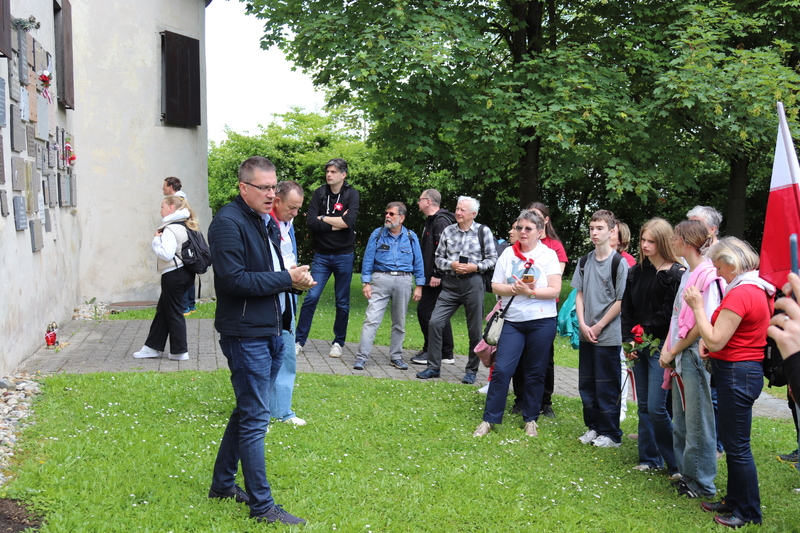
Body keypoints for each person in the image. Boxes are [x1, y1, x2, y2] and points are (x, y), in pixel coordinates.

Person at [207, 156, 315, 525]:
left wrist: (294, 281)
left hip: (271, 329)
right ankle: (262, 507)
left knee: (246, 411)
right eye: (264, 187)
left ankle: (222, 485)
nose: (272, 194)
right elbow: (234, 280)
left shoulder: (264, 221)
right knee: (255, 417)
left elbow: (270, 271)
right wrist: (287, 279)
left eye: (274, 186)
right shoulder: (227, 223)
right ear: (243, 188)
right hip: (245, 333)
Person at [684, 237, 774, 528]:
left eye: (719, 267)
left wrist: (698, 307)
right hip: (740, 370)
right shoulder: (756, 287)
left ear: (732, 264)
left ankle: (748, 512)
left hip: (737, 373)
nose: (718, 273)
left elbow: (715, 339)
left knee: (737, 448)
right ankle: (734, 500)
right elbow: (729, 335)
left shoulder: (742, 292)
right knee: (735, 444)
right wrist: (712, 343)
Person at [473, 210, 562, 437]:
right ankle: (489, 419)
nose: (522, 232)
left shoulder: (549, 255)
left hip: (541, 321)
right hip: (512, 321)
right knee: (502, 369)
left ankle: (530, 419)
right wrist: (515, 289)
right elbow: (495, 286)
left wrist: (530, 293)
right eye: (519, 227)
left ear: (540, 232)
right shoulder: (508, 254)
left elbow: (555, 290)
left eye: (528, 228)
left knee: (535, 372)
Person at [659, 220, 723, 499]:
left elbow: (702, 323)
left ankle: (703, 482)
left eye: (675, 237)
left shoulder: (708, 275)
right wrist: (668, 348)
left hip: (693, 354)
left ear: (686, 242)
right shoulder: (689, 273)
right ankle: (688, 475)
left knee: (698, 420)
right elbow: (677, 316)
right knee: (683, 418)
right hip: (679, 352)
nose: (672, 241)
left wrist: (674, 350)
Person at [621, 218, 684, 476]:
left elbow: (667, 315)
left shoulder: (676, 274)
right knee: (644, 405)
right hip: (638, 344)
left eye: (652, 241)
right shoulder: (636, 271)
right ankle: (649, 458)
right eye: (643, 240)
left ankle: (676, 463)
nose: (645, 245)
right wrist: (628, 340)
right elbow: (627, 309)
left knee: (658, 407)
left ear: (664, 242)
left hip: (662, 347)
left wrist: (641, 338)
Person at [416, 196, 498, 384]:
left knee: (474, 330)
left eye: (462, 210)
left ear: (473, 214)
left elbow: (493, 259)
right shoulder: (448, 231)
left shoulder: (483, 231)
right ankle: (433, 367)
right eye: (457, 209)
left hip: (473, 283)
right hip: (451, 284)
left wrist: (475, 267)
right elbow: (438, 259)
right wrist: (452, 265)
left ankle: (471, 371)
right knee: (435, 322)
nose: (458, 213)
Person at [572, 209, 629, 448]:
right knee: (587, 383)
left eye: (600, 228)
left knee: (607, 385)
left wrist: (599, 325)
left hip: (608, 335)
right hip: (587, 333)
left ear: (611, 231)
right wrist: (583, 324)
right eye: (592, 228)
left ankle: (611, 433)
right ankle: (593, 427)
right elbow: (579, 294)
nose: (594, 233)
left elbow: (621, 300)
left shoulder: (618, 263)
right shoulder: (584, 261)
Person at [295, 158, 360, 358]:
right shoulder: (319, 193)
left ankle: (338, 342)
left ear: (343, 175)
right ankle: (299, 341)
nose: (329, 175)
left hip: (344, 255)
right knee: (311, 297)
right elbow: (311, 222)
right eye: (327, 171)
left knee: (342, 301)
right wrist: (335, 223)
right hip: (321, 256)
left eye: (333, 172)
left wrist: (323, 218)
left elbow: (349, 222)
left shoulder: (351, 194)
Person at [354, 202, 425, 370]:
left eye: (392, 214)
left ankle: (396, 357)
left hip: (404, 280)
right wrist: (366, 283)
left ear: (402, 218)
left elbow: (418, 261)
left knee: (399, 322)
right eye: (386, 213)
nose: (387, 216)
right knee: (371, 320)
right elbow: (368, 259)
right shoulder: (377, 234)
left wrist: (419, 285)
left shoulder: (411, 236)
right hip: (381, 279)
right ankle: (361, 358)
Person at [133, 195, 197, 361]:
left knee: (174, 312)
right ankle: (151, 347)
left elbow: (166, 254)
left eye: (162, 207)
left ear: (171, 208)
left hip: (173, 274)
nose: (160, 210)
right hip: (186, 273)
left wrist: (156, 240)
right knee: (163, 310)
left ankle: (180, 351)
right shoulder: (185, 225)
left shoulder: (170, 229)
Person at [523, 202, 568, 419]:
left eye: (537, 217)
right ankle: (520, 399)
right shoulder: (522, 242)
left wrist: (533, 287)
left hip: (545, 306)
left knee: (544, 356)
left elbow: (555, 279)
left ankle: (545, 401)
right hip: (522, 303)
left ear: (546, 221)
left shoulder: (554, 246)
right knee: (520, 354)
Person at [269, 180, 308, 427]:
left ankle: (282, 410)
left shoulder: (287, 223)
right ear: (277, 201)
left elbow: (288, 257)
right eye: (291, 207)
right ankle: (259, 409)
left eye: (298, 208)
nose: (295, 213)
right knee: (263, 355)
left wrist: (299, 276)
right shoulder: (263, 223)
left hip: (287, 294)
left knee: (285, 352)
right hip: (267, 296)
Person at [412, 190, 456, 366]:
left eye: (420, 199)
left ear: (428, 201)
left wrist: (437, 273)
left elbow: (445, 249)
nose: (418, 202)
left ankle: (432, 350)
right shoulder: (433, 221)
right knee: (439, 313)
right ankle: (446, 352)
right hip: (433, 275)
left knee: (425, 311)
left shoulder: (440, 221)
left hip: (437, 277)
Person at [610, 221, 635, 425]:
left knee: (620, 364)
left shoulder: (627, 261)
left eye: (612, 233)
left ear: (621, 240)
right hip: (602, 321)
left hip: (620, 321)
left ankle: (621, 407)